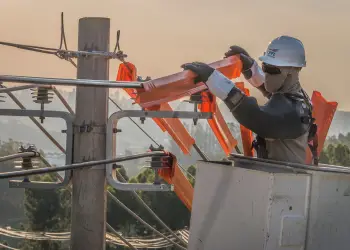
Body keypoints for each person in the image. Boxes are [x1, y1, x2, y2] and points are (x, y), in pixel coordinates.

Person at [181, 35, 318, 164]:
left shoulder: (292, 113)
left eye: (272, 70)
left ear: (291, 72)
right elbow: (271, 89)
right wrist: (251, 68)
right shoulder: (297, 97)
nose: (267, 74)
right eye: (265, 67)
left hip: (283, 185)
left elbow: (254, 115)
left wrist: (213, 78)